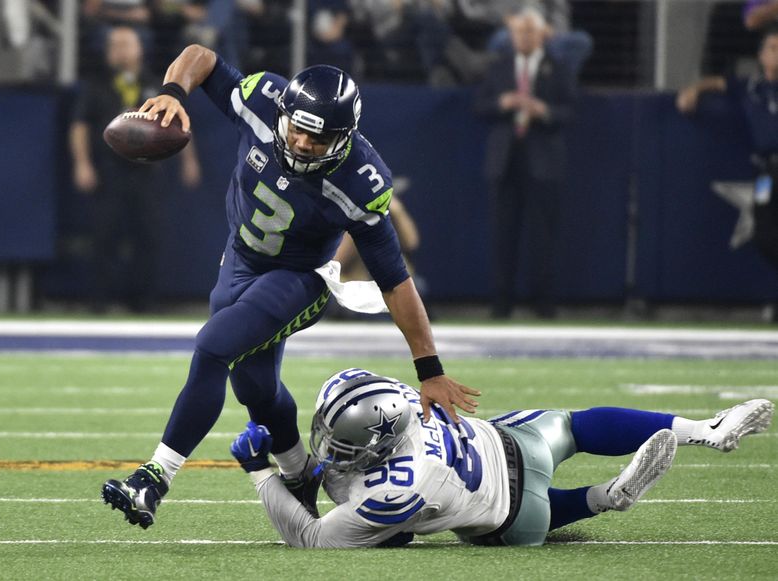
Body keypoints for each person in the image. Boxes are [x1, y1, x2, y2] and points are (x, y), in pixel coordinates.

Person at [100, 44, 480, 528]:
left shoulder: (359, 182)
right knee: (255, 387)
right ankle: (300, 473)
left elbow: (394, 279)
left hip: (300, 278)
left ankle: (154, 478)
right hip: (238, 260)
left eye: (318, 139)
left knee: (213, 347)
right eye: (298, 128)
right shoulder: (263, 99)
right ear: (284, 114)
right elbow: (201, 55)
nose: (302, 143)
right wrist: (174, 92)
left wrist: (430, 368)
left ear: (344, 138)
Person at [231, 367, 774, 548]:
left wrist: (263, 474)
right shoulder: (399, 399)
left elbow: (313, 537)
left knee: (520, 512)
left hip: (516, 517)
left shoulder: (393, 486)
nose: (333, 445)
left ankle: (606, 497)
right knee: (579, 424)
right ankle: (704, 427)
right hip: (517, 437)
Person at [69, 25, 200, 313]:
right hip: (109, 172)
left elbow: (177, 124)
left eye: (126, 44)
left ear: (140, 48)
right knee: (104, 235)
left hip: (148, 173)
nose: (119, 51)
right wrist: (82, 163)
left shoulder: (156, 86)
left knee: (150, 236)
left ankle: (144, 302)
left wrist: (189, 161)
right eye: (114, 45)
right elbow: (79, 125)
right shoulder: (96, 85)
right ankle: (100, 302)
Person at [474, 7, 575, 319]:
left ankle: (543, 304)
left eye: (530, 31)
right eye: (519, 31)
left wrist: (543, 110)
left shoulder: (557, 68)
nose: (524, 37)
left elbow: (571, 111)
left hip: (543, 159)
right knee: (503, 234)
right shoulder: (499, 67)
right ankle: (501, 304)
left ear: (542, 33)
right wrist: (501, 103)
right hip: (505, 159)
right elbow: (479, 107)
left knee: (542, 235)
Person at [677, 28, 778, 322]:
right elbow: (718, 82)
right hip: (766, 172)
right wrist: (694, 90)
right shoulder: (750, 87)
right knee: (765, 236)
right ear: (760, 56)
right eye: (772, 48)